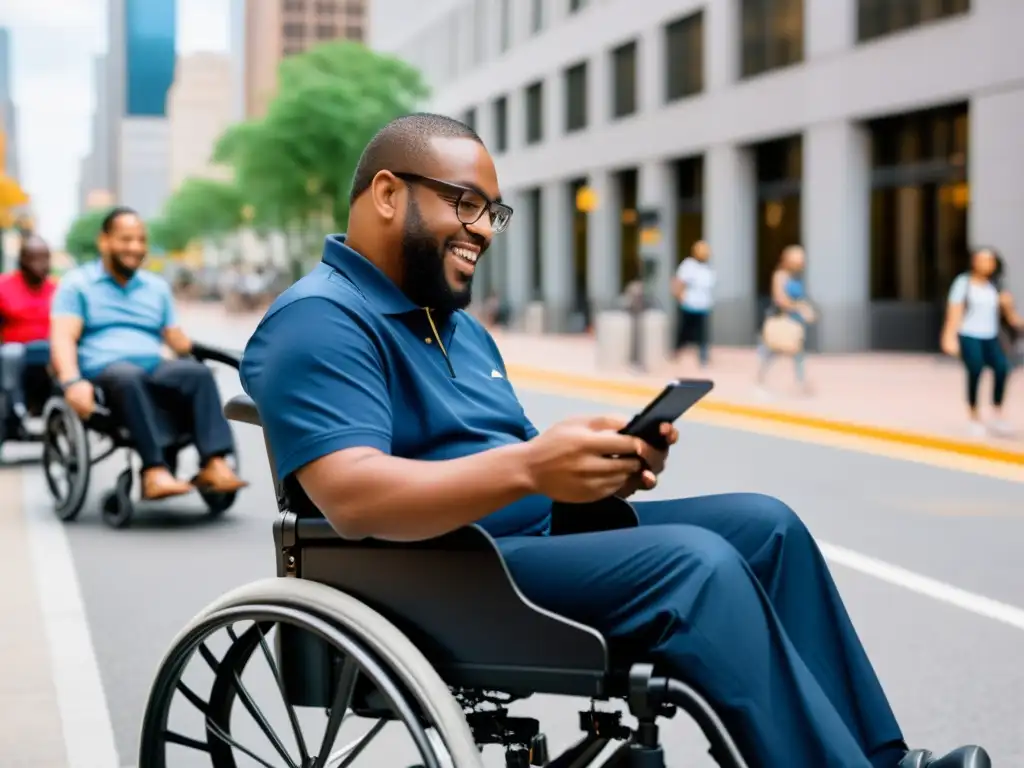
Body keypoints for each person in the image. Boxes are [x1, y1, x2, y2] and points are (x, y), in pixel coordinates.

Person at [239, 114, 989, 768]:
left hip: (527, 546)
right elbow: (355, 497)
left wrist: (598, 469)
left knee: (768, 526)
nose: (479, 229)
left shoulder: (457, 327)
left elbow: (518, 463)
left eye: (491, 213)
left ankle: (881, 760)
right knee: (694, 567)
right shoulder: (320, 320)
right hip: (445, 570)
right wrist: (534, 466)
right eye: (464, 203)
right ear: (387, 193)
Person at [50, 206, 248, 501]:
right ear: (104, 241)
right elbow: (63, 337)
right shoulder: (78, 285)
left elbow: (176, 340)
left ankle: (215, 463)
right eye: (126, 239)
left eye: (141, 240)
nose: (136, 247)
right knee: (128, 377)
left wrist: (222, 355)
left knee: (197, 373)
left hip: (153, 366)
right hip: (106, 372)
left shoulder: (156, 288)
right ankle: (154, 471)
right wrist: (70, 382)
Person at [941, 246, 1024, 437]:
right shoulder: (963, 283)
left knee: (1003, 369)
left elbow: (1012, 318)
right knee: (975, 370)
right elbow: (954, 311)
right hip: (969, 334)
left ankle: (997, 413)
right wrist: (949, 336)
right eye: (981, 259)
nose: (985, 264)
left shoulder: (996, 286)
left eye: (989, 260)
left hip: (991, 336)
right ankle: (974, 416)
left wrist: (1009, 307)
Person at [0, 235, 58, 426]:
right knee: (11, 354)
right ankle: (16, 405)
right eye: (35, 258)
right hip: (15, 354)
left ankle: (52, 406)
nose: (41, 264)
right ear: (23, 260)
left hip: (48, 353)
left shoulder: (57, 289)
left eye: (45, 258)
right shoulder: (4, 287)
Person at [756, 244, 817, 396]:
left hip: (795, 320)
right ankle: (761, 378)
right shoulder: (780, 275)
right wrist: (799, 308)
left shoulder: (798, 277)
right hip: (781, 317)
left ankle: (800, 381)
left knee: (797, 351)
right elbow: (780, 299)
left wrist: (806, 308)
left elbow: (801, 298)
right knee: (772, 350)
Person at [670, 239, 715, 367]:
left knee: (702, 334)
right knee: (684, 331)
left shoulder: (708, 267)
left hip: (703, 305)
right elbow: (679, 282)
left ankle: (703, 357)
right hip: (689, 304)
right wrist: (680, 297)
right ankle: (677, 351)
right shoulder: (688, 265)